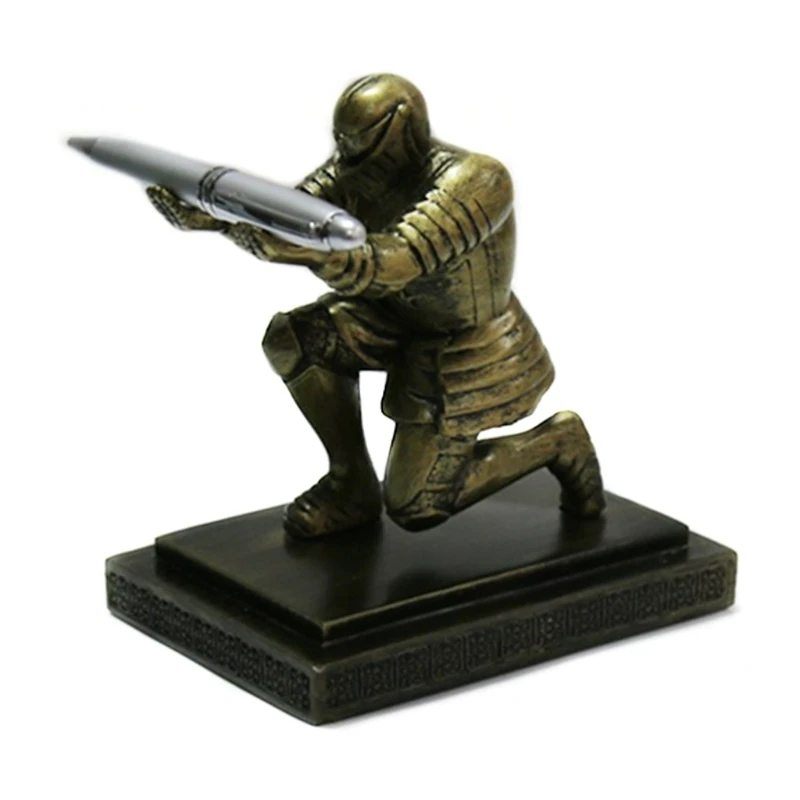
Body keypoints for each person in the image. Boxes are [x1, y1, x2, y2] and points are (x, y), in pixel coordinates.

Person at [147, 73, 605, 537]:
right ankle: (351, 483)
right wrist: (217, 216)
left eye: (357, 144)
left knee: (417, 506)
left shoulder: (478, 180)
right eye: (343, 142)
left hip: (463, 344)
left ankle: (557, 440)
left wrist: (296, 251)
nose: (346, 156)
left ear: (398, 132)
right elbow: (294, 212)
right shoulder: (355, 166)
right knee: (296, 339)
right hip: (389, 318)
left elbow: (396, 261)